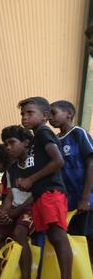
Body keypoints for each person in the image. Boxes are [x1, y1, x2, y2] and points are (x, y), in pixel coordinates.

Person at [17, 96, 72, 279]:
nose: (24, 117)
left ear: (45, 115)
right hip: (40, 194)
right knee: (51, 237)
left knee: (57, 235)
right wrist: (26, 182)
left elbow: (58, 161)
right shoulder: (35, 139)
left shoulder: (43, 132)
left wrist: (31, 179)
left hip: (51, 191)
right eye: (22, 114)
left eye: (30, 113)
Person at [49, 99, 93, 265]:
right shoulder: (53, 140)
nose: (50, 118)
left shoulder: (78, 133)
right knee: (76, 242)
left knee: (89, 240)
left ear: (69, 113)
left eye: (54, 113)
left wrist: (85, 197)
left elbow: (91, 163)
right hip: (68, 203)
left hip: (85, 199)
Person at [0, 126, 34, 279]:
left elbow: (37, 193)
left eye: (11, 143)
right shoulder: (11, 170)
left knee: (19, 233)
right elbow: (9, 196)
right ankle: (4, 275)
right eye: (6, 144)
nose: (8, 148)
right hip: (14, 208)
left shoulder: (34, 162)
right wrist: (5, 213)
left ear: (25, 143)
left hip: (31, 207)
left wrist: (15, 211)